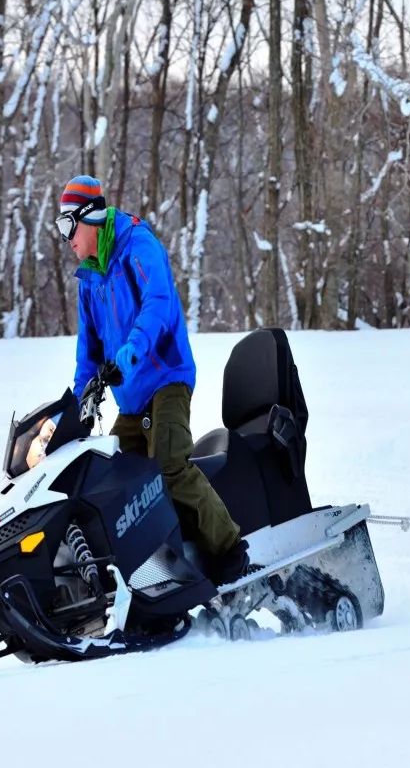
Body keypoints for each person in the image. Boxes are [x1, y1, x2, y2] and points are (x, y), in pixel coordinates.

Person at [57, 174, 249, 587]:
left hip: (166, 377)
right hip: (131, 400)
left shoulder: (137, 245)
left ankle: (230, 549)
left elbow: (159, 303)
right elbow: (87, 351)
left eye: (67, 224)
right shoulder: (89, 278)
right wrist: (78, 407)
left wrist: (133, 348)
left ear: (89, 217)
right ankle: (152, 572)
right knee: (121, 486)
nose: (65, 237)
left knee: (169, 464)